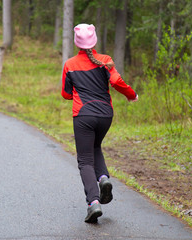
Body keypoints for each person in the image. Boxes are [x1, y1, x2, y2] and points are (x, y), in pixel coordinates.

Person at [61, 23, 138, 223]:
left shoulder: (70, 64)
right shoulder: (105, 61)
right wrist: (132, 95)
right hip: (105, 115)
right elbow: (117, 82)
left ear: (77, 42)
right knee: (96, 148)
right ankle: (103, 179)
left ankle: (93, 203)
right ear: (94, 40)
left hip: (84, 116)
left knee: (85, 160)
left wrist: (79, 91)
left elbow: (66, 94)